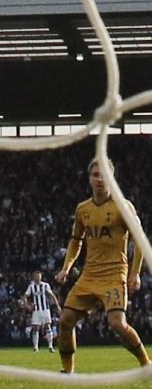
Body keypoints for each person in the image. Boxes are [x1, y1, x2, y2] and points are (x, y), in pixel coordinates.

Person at [55, 157, 149, 373]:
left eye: (104, 175)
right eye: (95, 175)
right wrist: (66, 268)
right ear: (89, 179)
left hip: (115, 274)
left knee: (117, 324)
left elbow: (139, 240)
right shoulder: (82, 209)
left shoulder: (123, 207)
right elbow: (76, 241)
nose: (100, 179)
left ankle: (146, 365)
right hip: (89, 275)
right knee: (65, 320)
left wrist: (135, 274)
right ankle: (68, 371)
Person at [19, 271, 59, 353]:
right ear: (33, 277)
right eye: (36, 276)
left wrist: (57, 305)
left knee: (48, 326)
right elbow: (25, 296)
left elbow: (52, 295)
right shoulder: (31, 287)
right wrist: (27, 306)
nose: (38, 278)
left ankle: (50, 346)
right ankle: (36, 347)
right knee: (35, 328)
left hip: (45, 309)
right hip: (36, 310)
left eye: (39, 276)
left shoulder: (45, 285)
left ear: (41, 277)